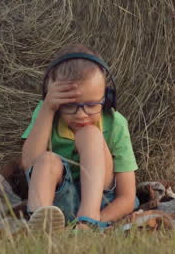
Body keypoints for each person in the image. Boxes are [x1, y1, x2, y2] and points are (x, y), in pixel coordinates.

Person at [20, 45, 139, 232]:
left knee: (90, 134)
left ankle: (87, 219)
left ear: (107, 98)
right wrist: (48, 108)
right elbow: (29, 164)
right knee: (46, 160)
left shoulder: (116, 124)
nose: (81, 115)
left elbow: (127, 197)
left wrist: (98, 222)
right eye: (69, 105)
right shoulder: (47, 114)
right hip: (57, 205)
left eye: (91, 105)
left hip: (101, 203)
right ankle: (41, 221)